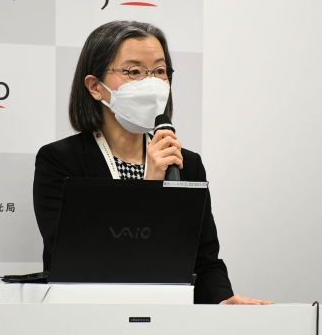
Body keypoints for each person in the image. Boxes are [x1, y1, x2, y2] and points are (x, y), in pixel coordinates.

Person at [33, 20, 271, 305]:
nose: (151, 84)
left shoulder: (185, 163)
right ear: (95, 87)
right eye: (134, 71)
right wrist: (150, 186)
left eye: (159, 71)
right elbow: (75, 254)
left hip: (167, 315)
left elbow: (204, 261)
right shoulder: (61, 161)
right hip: (89, 313)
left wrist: (222, 300)